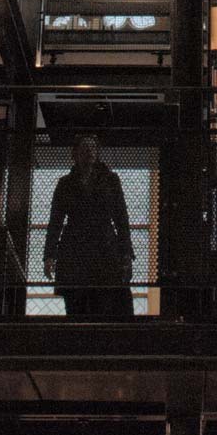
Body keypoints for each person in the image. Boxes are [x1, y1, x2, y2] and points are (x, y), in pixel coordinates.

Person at [45, 135, 133, 318]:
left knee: (104, 302)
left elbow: (121, 218)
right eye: (85, 147)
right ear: (75, 153)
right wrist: (49, 254)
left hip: (103, 246)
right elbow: (55, 221)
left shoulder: (110, 180)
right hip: (76, 247)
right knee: (76, 304)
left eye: (92, 147)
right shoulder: (65, 183)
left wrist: (126, 252)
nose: (89, 151)